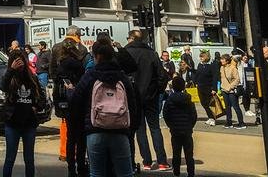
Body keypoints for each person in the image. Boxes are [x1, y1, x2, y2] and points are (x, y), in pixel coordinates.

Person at [73, 39, 141, 177]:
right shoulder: (123, 77)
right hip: (120, 131)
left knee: (97, 173)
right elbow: (133, 105)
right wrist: (130, 129)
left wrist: (81, 129)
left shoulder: (89, 76)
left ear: (96, 56)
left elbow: (76, 103)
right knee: (125, 173)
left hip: (95, 130)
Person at [118, 30, 169, 170]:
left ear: (132, 38)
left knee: (140, 130)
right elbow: (162, 76)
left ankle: (146, 161)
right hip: (150, 96)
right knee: (155, 128)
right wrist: (157, 90)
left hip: (133, 96)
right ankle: (162, 161)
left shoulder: (126, 53)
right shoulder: (151, 53)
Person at [0, 49, 47, 177]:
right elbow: (2, 86)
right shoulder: (10, 76)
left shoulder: (31, 78)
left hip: (29, 123)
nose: (20, 64)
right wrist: (11, 69)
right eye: (16, 60)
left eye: (21, 60)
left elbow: (42, 97)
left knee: (29, 160)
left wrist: (37, 107)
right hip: (12, 123)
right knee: (10, 158)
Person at [56, 33, 88, 177]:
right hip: (78, 103)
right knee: (81, 138)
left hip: (66, 104)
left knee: (70, 137)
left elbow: (57, 85)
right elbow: (83, 82)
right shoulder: (76, 63)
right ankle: (81, 166)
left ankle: (71, 168)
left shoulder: (61, 63)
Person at [162, 76, 197, 177]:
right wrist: (190, 126)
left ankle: (176, 172)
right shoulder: (188, 99)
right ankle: (191, 173)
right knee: (189, 154)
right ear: (183, 86)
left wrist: (171, 125)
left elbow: (166, 114)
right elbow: (193, 115)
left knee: (176, 153)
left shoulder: (169, 100)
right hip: (187, 130)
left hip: (175, 130)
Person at [219, 54, 245, 129]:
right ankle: (229, 122)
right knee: (227, 107)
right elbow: (222, 78)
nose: (221, 60)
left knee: (235, 106)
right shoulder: (221, 68)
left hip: (231, 90)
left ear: (227, 61)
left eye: (223, 59)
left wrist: (230, 87)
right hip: (224, 89)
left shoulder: (233, 68)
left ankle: (241, 123)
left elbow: (237, 79)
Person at [193, 50, 217, 126]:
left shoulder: (211, 66)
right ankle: (210, 117)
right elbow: (197, 74)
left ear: (206, 57)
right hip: (200, 87)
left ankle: (213, 118)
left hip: (208, 87)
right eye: (200, 56)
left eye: (202, 56)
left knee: (210, 104)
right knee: (203, 104)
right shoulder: (200, 65)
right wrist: (195, 82)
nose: (201, 58)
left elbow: (215, 77)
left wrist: (214, 88)